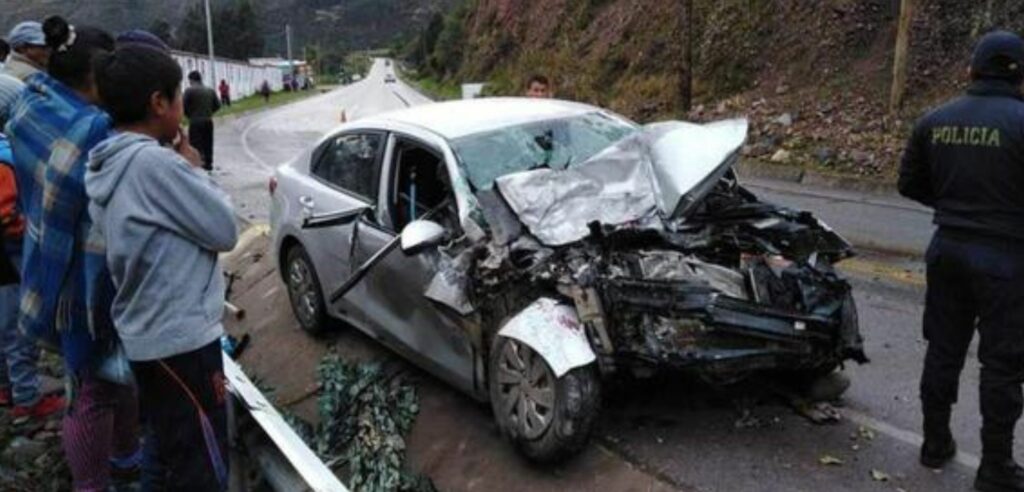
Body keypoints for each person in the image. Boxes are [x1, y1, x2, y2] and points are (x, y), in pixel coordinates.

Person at [90, 44, 238, 490]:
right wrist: (191, 169)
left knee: (164, 443)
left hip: (146, 337)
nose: (180, 106)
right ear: (159, 103)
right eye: (177, 98)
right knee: (202, 463)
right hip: (182, 344)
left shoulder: (108, 160)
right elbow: (224, 229)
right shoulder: (154, 165)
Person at [5, 16, 140, 491]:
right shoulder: (94, 135)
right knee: (91, 387)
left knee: (111, 375)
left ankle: (126, 458)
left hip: (45, 255)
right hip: (84, 280)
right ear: (98, 77)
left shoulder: (31, 105)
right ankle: (94, 483)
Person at [899, 30, 1024, 492]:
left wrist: (952, 207)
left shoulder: (935, 120)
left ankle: (934, 444)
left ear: (972, 69)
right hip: (1007, 258)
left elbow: (908, 182)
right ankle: (995, 466)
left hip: (948, 249)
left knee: (943, 348)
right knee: (1003, 364)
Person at [183, 70, 220, 171]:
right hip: (208, 120)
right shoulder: (210, 90)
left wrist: (189, 115)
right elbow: (217, 105)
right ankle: (208, 163)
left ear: (191, 79)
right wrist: (209, 112)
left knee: (196, 144)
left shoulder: (189, 91)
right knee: (208, 142)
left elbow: (183, 105)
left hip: (195, 121)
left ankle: (198, 164)